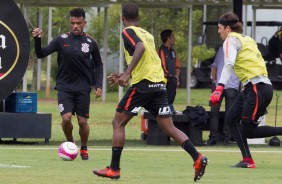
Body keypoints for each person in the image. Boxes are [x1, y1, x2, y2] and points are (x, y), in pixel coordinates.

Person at [93, 3, 207, 181]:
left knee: (118, 123)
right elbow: (147, 61)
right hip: (159, 84)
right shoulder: (147, 34)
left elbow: (140, 48)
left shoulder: (127, 31)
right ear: (139, 18)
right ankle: (198, 157)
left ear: (123, 19)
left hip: (143, 85)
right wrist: (124, 74)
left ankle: (114, 169)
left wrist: (128, 74)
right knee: (169, 128)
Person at [210, 12, 282, 168]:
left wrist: (219, 88)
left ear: (227, 29)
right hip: (256, 88)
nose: (218, 31)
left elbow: (229, 64)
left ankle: (249, 160)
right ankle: (247, 160)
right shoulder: (247, 39)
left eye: (220, 28)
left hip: (257, 88)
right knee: (230, 118)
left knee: (247, 131)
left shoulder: (230, 39)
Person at [32, 8, 103, 160]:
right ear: (69, 23)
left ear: (84, 23)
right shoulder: (61, 40)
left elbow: (99, 64)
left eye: (78, 23)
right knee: (66, 119)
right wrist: (37, 40)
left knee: (83, 122)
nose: (75, 26)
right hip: (64, 87)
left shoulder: (91, 42)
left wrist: (99, 85)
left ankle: (84, 148)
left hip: (83, 88)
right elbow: (40, 54)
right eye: (73, 23)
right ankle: (70, 143)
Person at [205, 46, 240, 146]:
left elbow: (214, 66)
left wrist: (214, 82)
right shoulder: (237, 50)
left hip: (219, 85)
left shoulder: (221, 49)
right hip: (232, 85)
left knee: (214, 112)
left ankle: (213, 137)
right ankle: (227, 138)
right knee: (229, 113)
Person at [158, 29, 181, 114]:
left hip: (171, 78)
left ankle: (169, 106)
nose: (174, 39)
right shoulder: (161, 51)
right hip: (162, 78)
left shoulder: (173, 51)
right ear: (168, 38)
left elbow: (177, 66)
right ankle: (168, 107)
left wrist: (177, 77)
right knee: (172, 81)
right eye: (173, 37)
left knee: (173, 82)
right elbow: (162, 67)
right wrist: (172, 77)